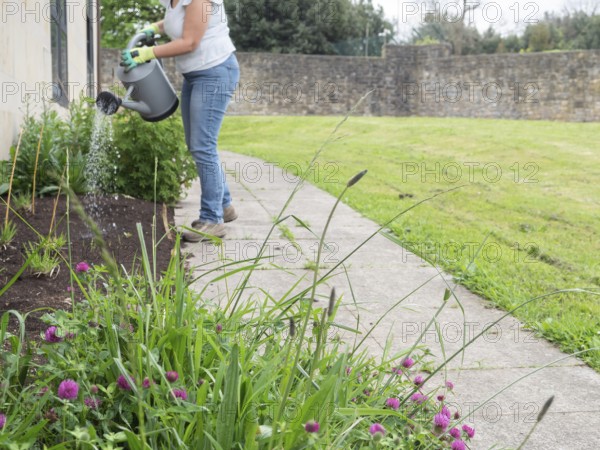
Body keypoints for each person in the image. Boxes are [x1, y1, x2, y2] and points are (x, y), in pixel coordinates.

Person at [120, 0, 239, 242]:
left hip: (215, 72)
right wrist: (154, 28)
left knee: (202, 145)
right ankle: (224, 205)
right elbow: (176, 21)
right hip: (195, 75)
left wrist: (147, 52)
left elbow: (190, 41)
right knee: (195, 142)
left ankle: (212, 219)